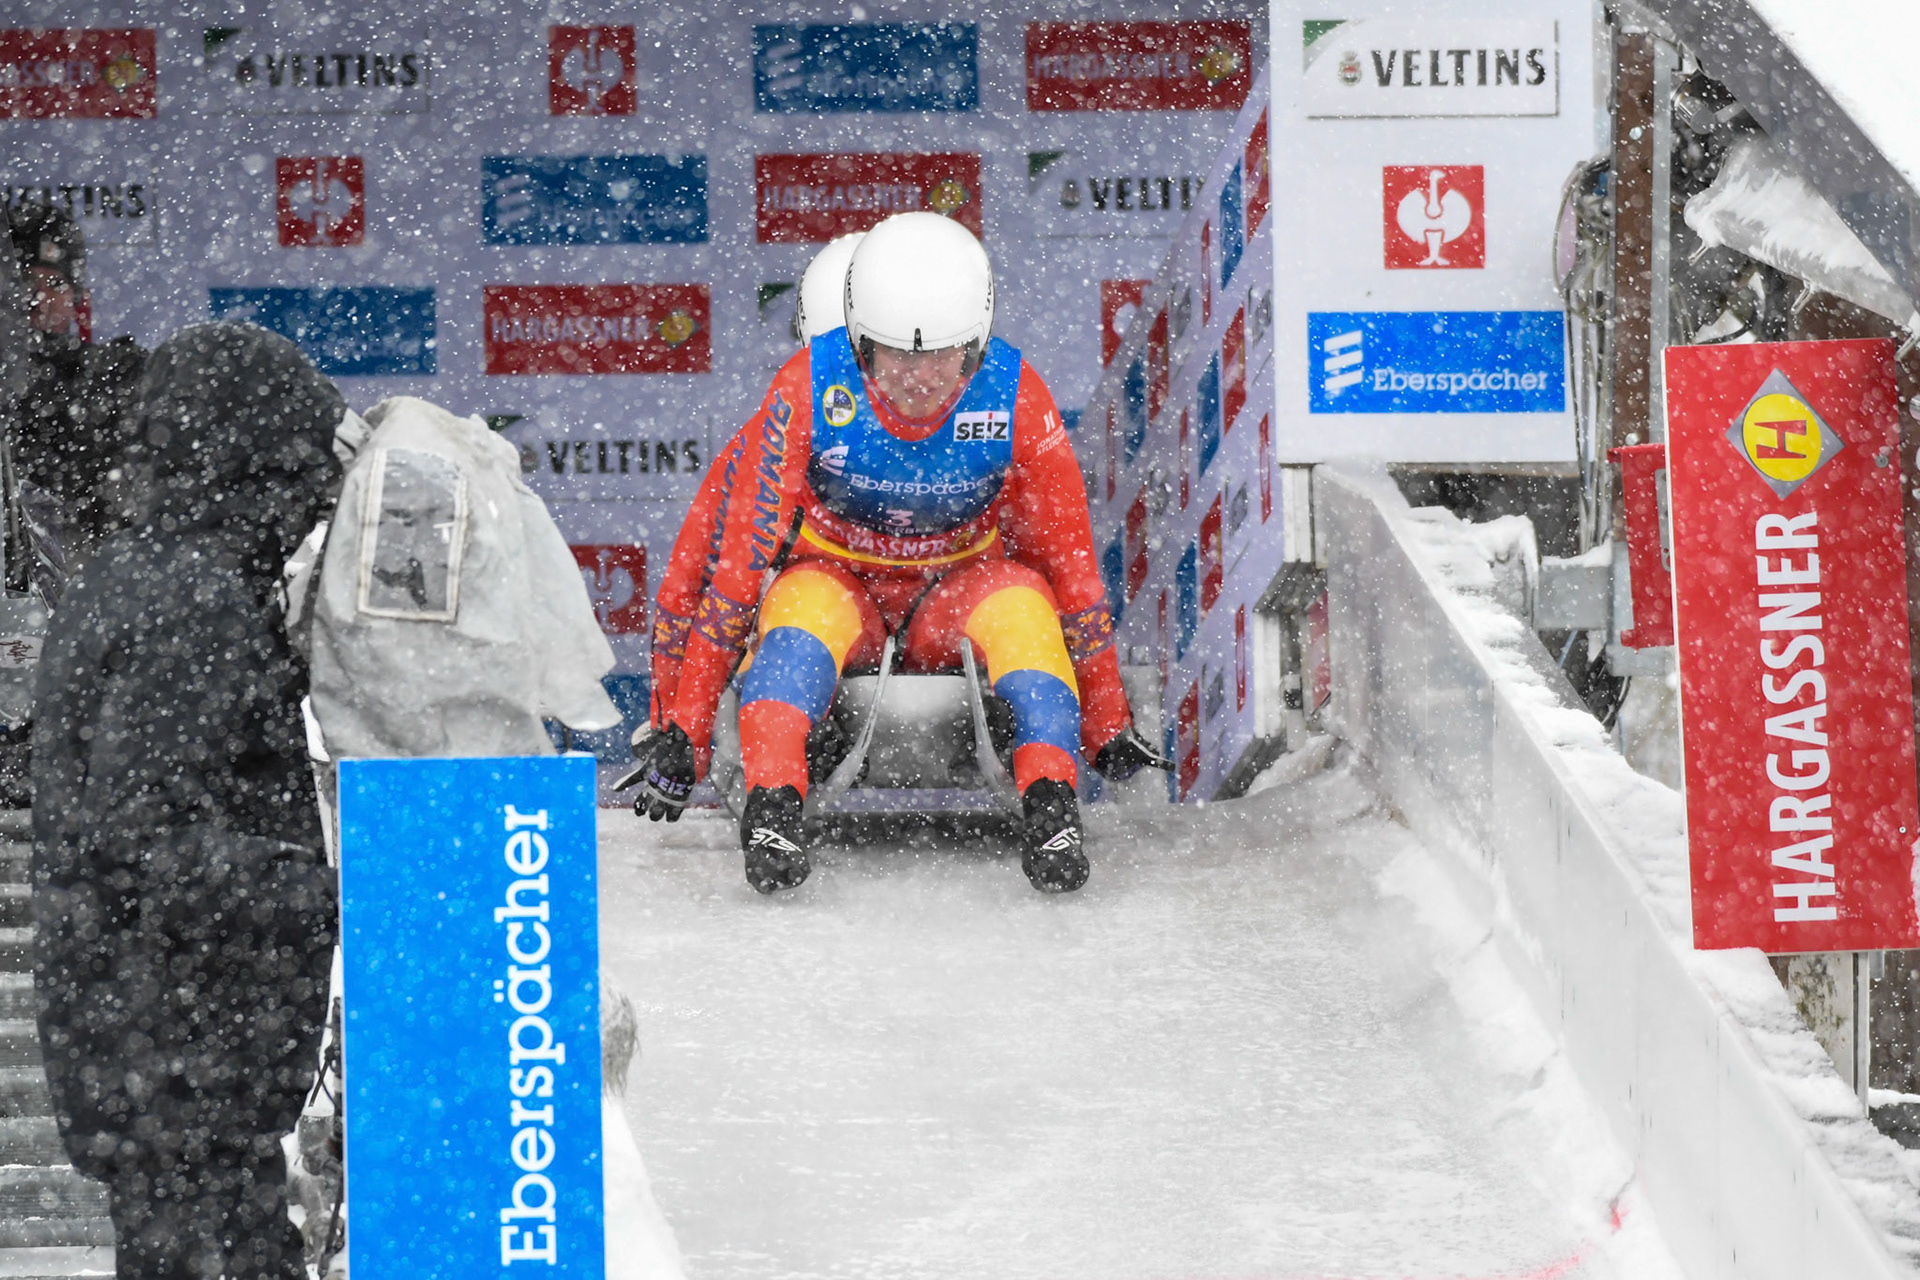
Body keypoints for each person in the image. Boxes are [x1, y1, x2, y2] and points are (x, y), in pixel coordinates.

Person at [633, 212, 1167, 894]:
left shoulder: (1014, 395)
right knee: (793, 612)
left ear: (975, 344)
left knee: (1025, 605)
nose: (920, 379)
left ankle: (1052, 806)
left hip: (957, 592)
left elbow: (1069, 565)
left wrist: (1104, 719)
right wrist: (681, 726)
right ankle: (773, 809)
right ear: (857, 346)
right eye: (897, 356)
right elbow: (724, 577)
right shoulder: (802, 392)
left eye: (942, 356)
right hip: (833, 585)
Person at [31, 322, 343, 1279]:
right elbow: (148, 842)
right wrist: (342, 897)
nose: (310, 505)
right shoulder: (191, 600)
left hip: (158, 1055)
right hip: (182, 1053)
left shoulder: (136, 576)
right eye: (298, 474)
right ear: (253, 461)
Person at [7, 196, 146, 571]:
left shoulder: (115, 376)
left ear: (78, 295)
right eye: (23, 281)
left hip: (88, 591)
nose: (39, 297)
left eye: (55, 283)